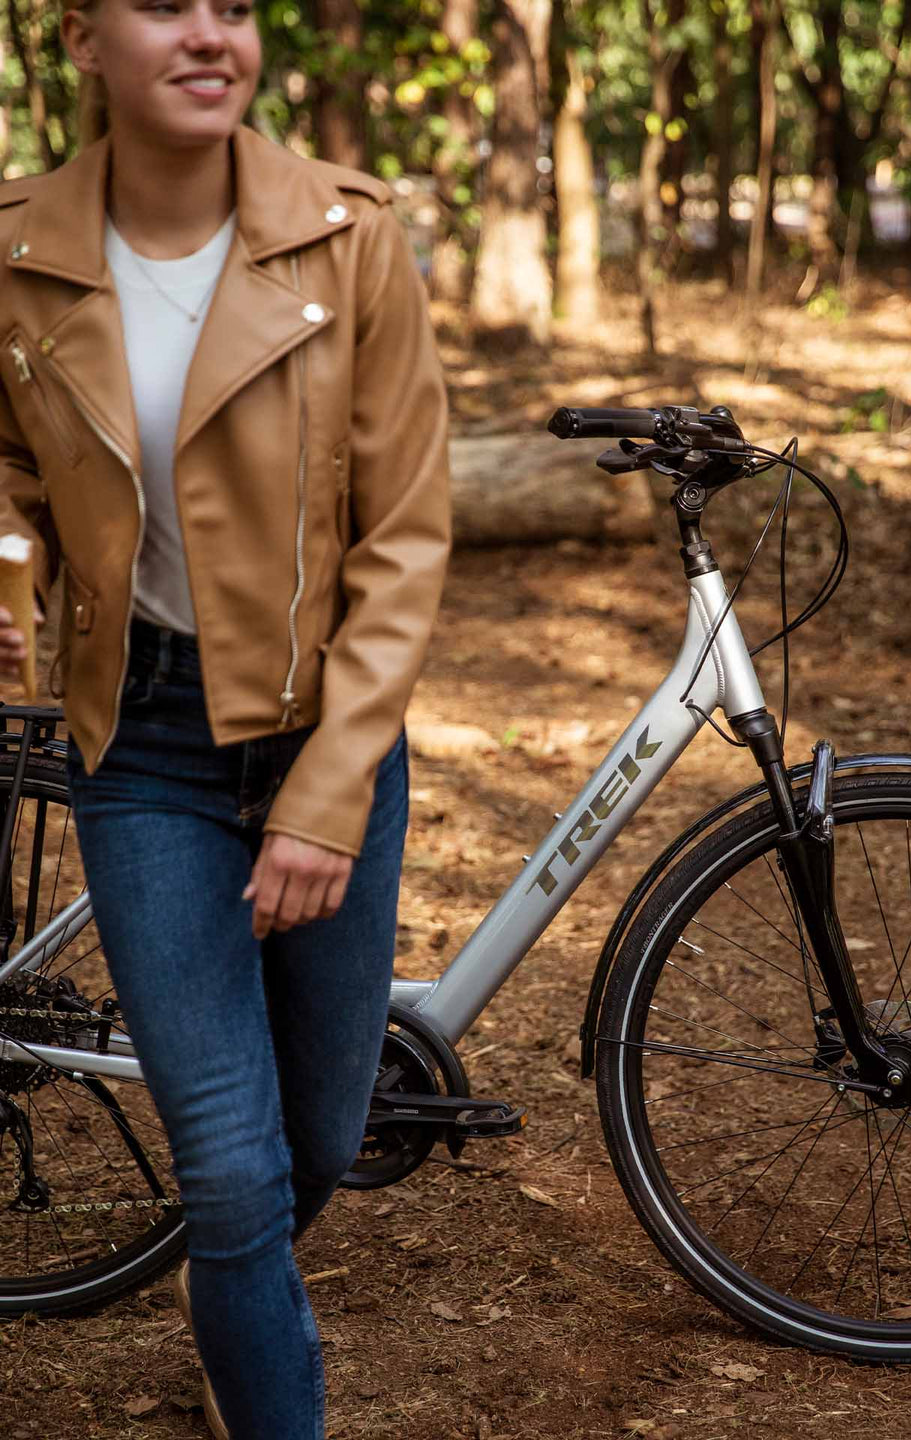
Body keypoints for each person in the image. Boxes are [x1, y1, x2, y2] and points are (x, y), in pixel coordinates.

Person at [0, 2, 450, 1436]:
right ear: (78, 38)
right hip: (142, 747)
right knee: (233, 1173)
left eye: (237, 7)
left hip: (329, 734)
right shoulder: (15, 247)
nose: (209, 35)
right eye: (163, 4)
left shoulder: (351, 233)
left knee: (317, 1139)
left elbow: (407, 538)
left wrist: (330, 787)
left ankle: (228, 1288)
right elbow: (7, 472)